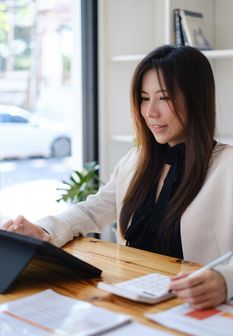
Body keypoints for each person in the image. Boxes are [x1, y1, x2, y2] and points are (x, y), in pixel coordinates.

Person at [2, 45, 233, 309]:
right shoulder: (138, 159)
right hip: (130, 294)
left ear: (196, 97)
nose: (150, 112)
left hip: (194, 306)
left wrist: (225, 280)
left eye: (164, 97)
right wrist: (44, 230)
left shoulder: (227, 166)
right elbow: (93, 210)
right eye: (144, 98)